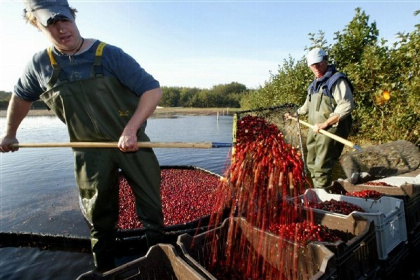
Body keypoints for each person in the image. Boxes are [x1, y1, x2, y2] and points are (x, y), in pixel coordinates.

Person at [0, 0, 164, 272]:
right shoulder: (41, 65)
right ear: (36, 25)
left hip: (133, 142)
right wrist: (9, 133)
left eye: (65, 20)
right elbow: (21, 98)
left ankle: (159, 263)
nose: (62, 29)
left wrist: (132, 127)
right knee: (99, 217)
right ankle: (104, 269)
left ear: (73, 17)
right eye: (51, 24)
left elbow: (152, 91)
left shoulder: (109, 54)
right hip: (88, 150)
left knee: (151, 208)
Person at [286, 48, 354, 188]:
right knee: (310, 162)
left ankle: (322, 199)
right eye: (312, 65)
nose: (315, 67)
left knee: (322, 167)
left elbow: (346, 105)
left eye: (318, 63)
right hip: (315, 128)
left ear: (326, 60)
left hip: (330, 129)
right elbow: (306, 106)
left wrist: (326, 123)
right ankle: (317, 191)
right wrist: (295, 114)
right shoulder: (313, 85)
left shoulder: (337, 80)